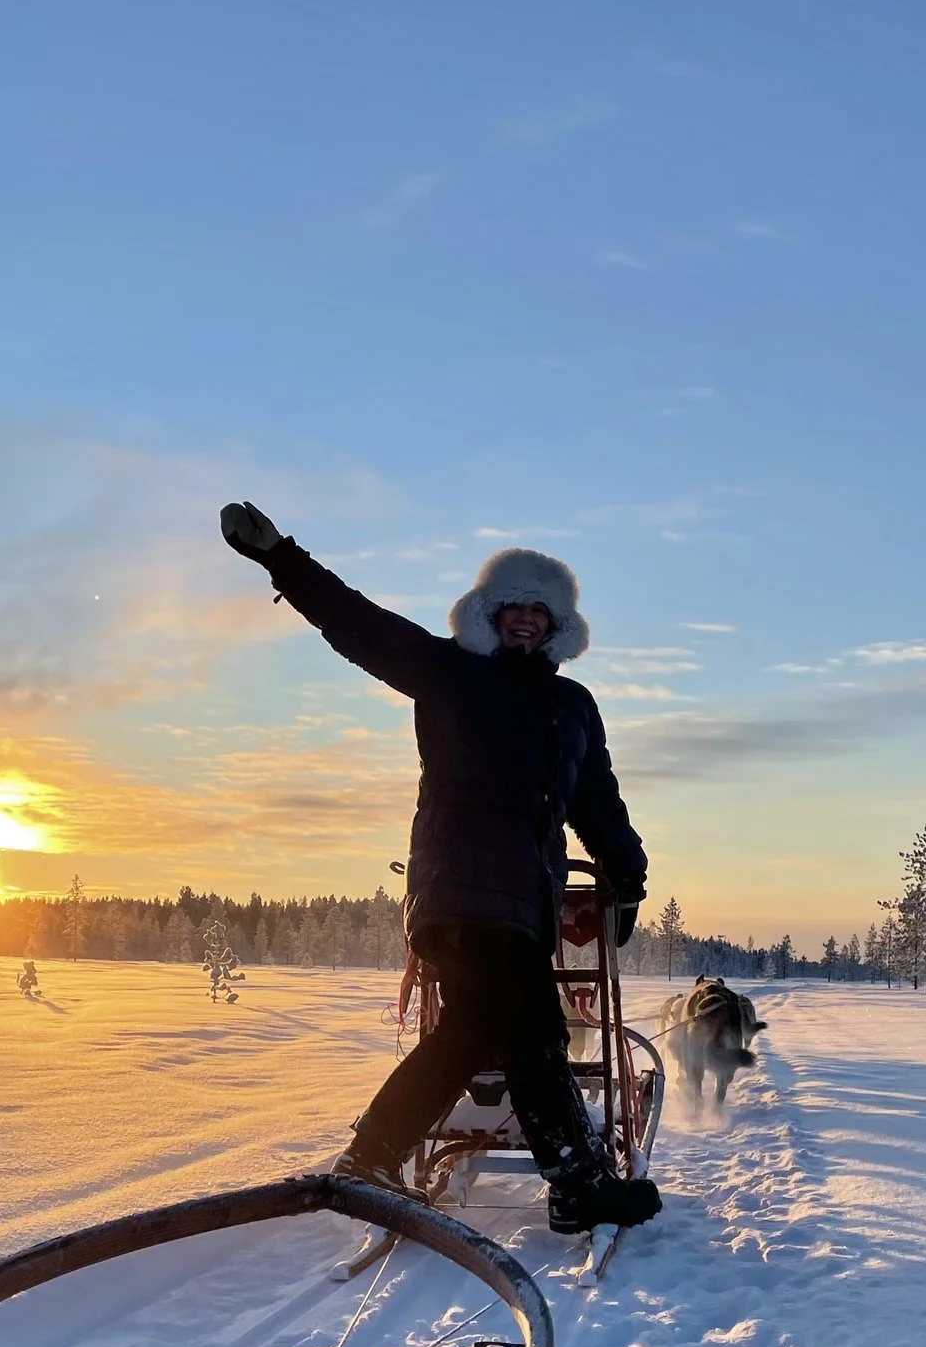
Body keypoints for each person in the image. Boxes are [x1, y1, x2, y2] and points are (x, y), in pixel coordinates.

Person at [220, 501, 663, 1234]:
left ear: (558, 626)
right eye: (511, 607)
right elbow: (359, 625)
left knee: (479, 1031)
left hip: (523, 899)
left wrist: (628, 872)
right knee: (529, 1029)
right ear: (488, 615)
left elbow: (598, 801)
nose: (525, 620)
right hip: (459, 890)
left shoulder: (571, 705)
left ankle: (375, 1156)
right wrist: (282, 559)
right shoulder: (450, 673)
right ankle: (575, 1182)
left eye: (539, 611)